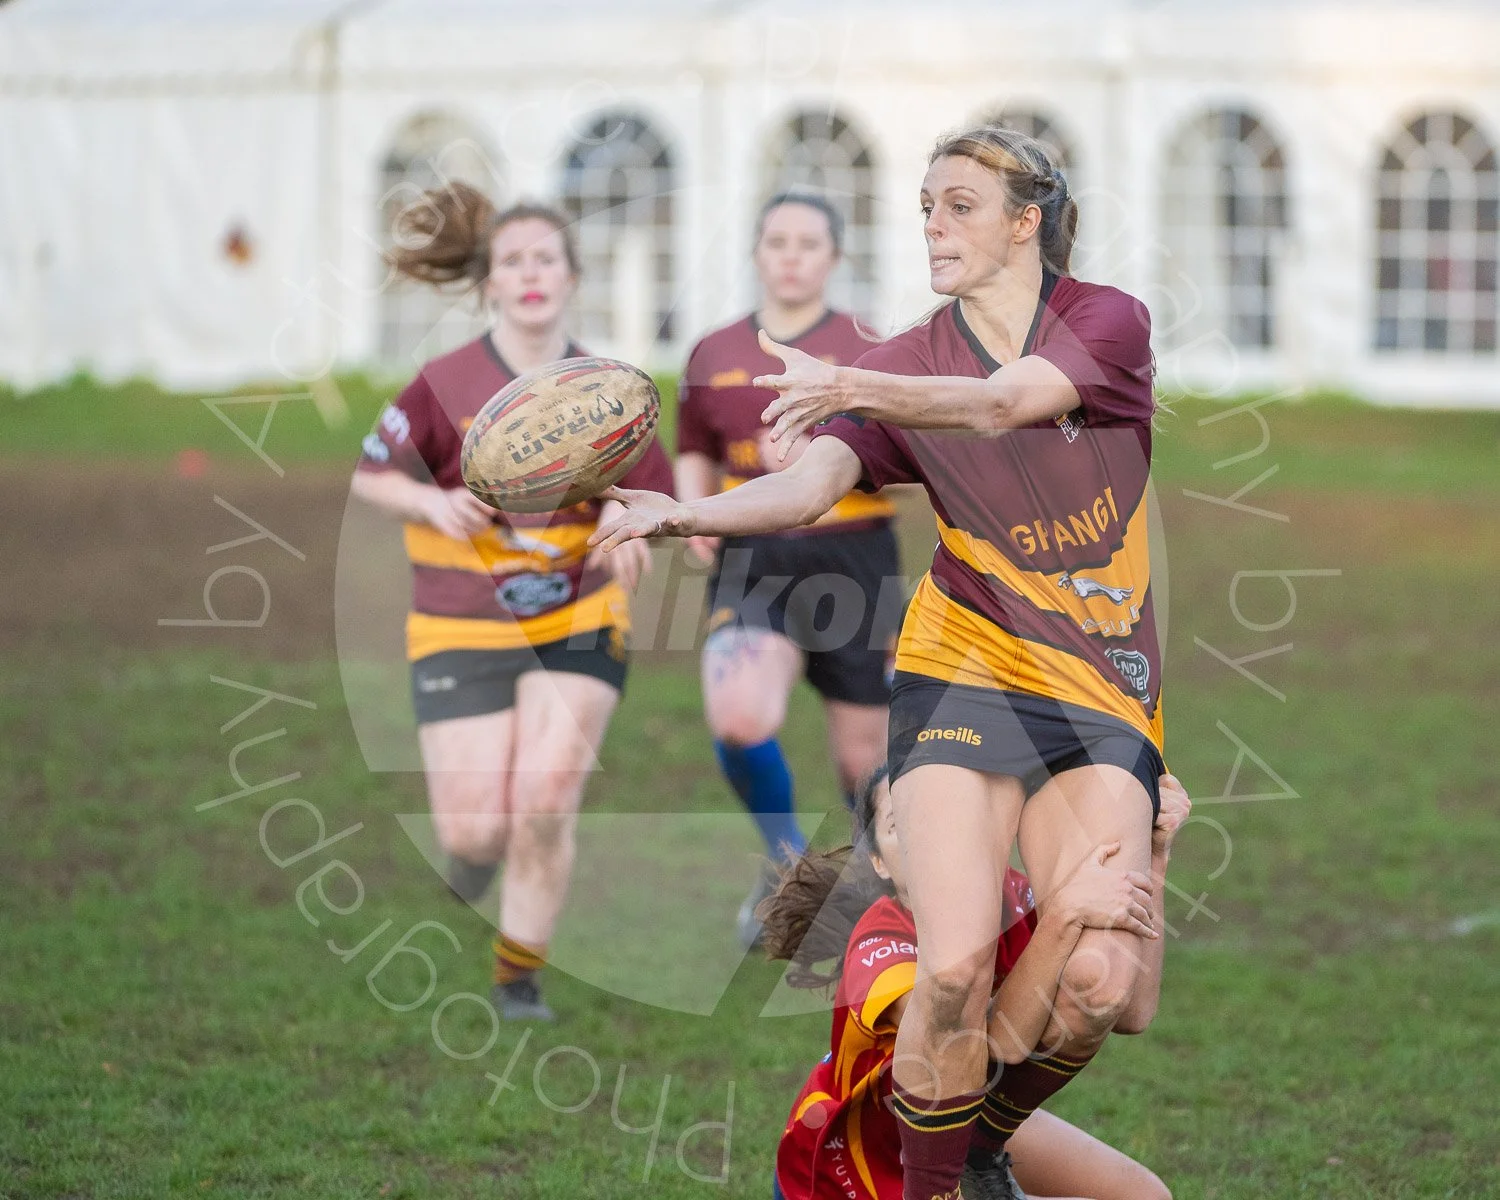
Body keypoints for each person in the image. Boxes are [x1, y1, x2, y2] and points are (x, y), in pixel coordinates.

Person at [590, 124, 1163, 1199]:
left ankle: (977, 1139)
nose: (932, 225)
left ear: (1024, 221)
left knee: (1097, 980)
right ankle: (937, 1186)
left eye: (957, 204)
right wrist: (682, 516)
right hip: (963, 663)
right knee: (952, 968)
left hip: (1095, 680)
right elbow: (809, 489)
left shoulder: (1104, 322)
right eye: (926, 205)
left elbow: (999, 403)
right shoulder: (908, 359)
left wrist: (852, 374)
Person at [352, 183, 672, 1022]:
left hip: (577, 614)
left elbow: (657, 499)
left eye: (545, 259)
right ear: (489, 282)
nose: (530, 274)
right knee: (472, 833)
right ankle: (473, 861)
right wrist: (431, 502)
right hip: (460, 618)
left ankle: (515, 979)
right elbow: (371, 474)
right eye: (512, 261)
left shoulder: (608, 390)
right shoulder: (442, 382)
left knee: (545, 794)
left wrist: (629, 522)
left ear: (570, 277)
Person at [760, 768, 1189, 1200]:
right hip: (851, 1170)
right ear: (879, 863)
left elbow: (1133, 1012)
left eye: (942, 811)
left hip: (970, 1124)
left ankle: (983, 1167)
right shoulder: (880, 945)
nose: (928, 833)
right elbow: (981, 1047)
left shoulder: (1016, 899)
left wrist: (1153, 856)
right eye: (900, 823)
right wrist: (1063, 917)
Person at [675, 192, 901, 946]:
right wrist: (692, 505)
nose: (793, 255)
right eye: (778, 241)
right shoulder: (712, 352)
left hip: (855, 561)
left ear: (834, 257)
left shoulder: (873, 347)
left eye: (810, 242)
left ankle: (879, 896)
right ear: (758, 252)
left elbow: (916, 460)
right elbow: (694, 445)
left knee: (864, 763)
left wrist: (829, 464)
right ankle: (784, 869)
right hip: (757, 560)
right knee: (739, 716)